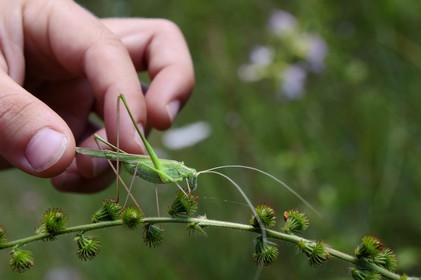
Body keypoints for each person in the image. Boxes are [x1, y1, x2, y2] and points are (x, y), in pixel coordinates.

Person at [0, 0, 195, 192]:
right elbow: (162, 175)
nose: (191, 177)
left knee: (116, 147)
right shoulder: (178, 169)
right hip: (138, 160)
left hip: (133, 159)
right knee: (126, 136)